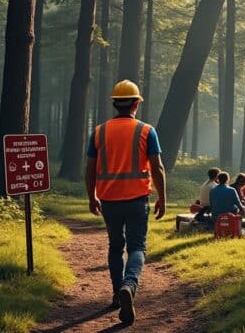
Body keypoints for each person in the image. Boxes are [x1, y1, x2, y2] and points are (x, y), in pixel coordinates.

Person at [85, 80, 166, 325]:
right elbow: (157, 167)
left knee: (114, 246)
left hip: (109, 200)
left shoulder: (99, 132)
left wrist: (92, 196)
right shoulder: (146, 130)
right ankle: (129, 286)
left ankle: (116, 293)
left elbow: (89, 170)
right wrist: (162, 197)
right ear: (136, 103)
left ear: (114, 103)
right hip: (137, 200)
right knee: (137, 248)